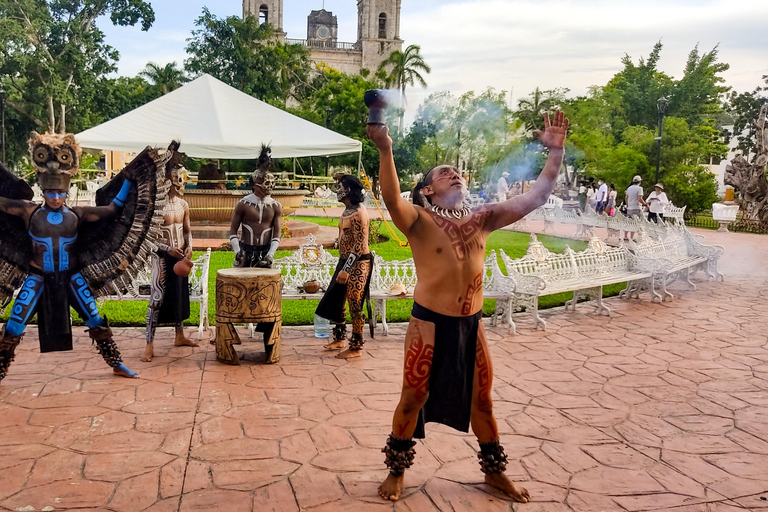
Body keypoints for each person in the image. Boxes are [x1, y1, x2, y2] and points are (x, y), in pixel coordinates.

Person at [368, 111, 568, 504]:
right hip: (429, 324)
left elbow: (538, 195)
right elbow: (391, 196)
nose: (455, 173)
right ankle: (397, 471)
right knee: (412, 397)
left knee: (483, 401)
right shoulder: (419, 221)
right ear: (427, 190)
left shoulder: (483, 218)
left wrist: (555, 151)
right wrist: (385, 147)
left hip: (470, 325)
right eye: (445, 172)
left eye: (458, 171)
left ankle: (495, 473)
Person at [0, 132, 160, 382]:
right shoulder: (27, 210)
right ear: (43, 190)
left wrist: (128, 180)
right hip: (37, 277)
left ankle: (117, 363)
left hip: (72, 277)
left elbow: (113, 209)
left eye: (59, 193)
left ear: (66, 192)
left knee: (96, 319)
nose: (55, 198)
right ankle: (1, 369)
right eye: (50, 193)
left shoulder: (79, 214)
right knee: (13, 325)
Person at [142, 163, 197, 363]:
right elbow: (147, 237)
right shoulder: (155, 207)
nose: (180, 183)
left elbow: (187, 231)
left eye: (182, 178)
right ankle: (149, 345)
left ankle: (179, 335)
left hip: (181, 257)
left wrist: (190, 247)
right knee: (156, 300)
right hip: (162, 259)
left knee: (179, 296)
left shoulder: (183, 205)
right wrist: (166, 249)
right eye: (176, 178)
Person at [315, 174, 374, 360]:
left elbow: (359, 244)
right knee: (337, 301)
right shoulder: (348, 210)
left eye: (341, 187)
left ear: (348, 190)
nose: (338, 191)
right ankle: (339, 339)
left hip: (358, 263)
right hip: (345, 261)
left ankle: (356, 346)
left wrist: (346, 269)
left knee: (355, 304)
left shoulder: (359, 213)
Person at [228, 145, 283, 269]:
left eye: (271, 183)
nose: (269, 187)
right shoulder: (243, 204)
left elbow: (276, 234)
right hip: (245, 252)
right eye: (266, 183)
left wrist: (270, 255)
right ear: (256, 185)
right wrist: (238, 251)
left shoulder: (275, 206)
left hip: (265, 252)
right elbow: (232, 231)